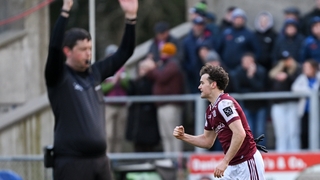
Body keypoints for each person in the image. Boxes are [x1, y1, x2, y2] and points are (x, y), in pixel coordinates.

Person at [44, 0, 138, 179]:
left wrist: (131, 18)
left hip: (100, 162)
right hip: (71, 163)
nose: (88, 53)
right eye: (82, 49)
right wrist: (65, 11)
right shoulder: (59, 76)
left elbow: (125, 52)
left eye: (90, 48)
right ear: (68, 51)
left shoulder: (94, 73)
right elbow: (54, 48)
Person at [173, 65, 265, 179]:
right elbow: (207, 141)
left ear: (213, 84)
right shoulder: (210, 110)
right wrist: (183, 136)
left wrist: (224, 162)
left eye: (202, 83)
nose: (199, 87)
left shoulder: (224, 103)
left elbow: (240, 133)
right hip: (232, 166)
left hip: (247, 162)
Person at [147, 42, 185, 152]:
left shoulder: (173, 64)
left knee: (174, 135)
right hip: (163, 104)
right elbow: (150, 75)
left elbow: (161, 77)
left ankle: (176, 162)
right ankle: (169, 160)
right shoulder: (164, 64)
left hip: (170, 104)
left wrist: (152, 68)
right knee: (165, 135)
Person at [269, 51, 301, 152]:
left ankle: (295, 152)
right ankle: (281, 152)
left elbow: (298, 83)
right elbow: (270, 85)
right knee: (281, 132)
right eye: (284, 60)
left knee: (293, 131)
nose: (286, 62)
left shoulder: (297, 70)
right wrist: (279, 73)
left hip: (292, 104)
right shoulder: (274, 72)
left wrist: (288, 76)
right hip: (278, 104)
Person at [232, 53, 268, 144]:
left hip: (260, 105)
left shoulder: (261, 71)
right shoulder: (238, 72)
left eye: (249, 61)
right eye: (245, 61)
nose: (247, 63)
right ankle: (251, 152)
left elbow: (261, 88)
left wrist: (251, 77)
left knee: (260, 131)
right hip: (246, 106)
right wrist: (251, 90)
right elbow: (238, 89)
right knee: (249, 130)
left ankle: (261, 153)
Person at [126, 60, 160, 152]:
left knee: (148, 141)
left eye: (145, 68)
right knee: (137, 141)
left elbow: (146, 91)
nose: (142, 70)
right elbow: (130, 92)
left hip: (148, 116)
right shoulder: (135, 81)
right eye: (141, 68)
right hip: (136, 117)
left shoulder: (152, 81)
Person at [292, 59, 320, 149]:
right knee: (304, 132)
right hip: (306, 111)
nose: (305, 69)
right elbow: (294, 88)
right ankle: (306, 151)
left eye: (307, 67)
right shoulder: (302, 78)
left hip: (317, 111)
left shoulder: (318, 77)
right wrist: (310, 92)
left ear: (313, 68)